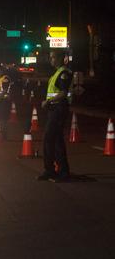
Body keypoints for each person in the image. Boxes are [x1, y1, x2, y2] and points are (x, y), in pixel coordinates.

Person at [37, 50, 72, 182]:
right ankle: (62, 171)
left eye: (53, 57)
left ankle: (50, 170)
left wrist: (48, 101)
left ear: (61, 58)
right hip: (54, 109)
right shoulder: (57, 73)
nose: (51, 60)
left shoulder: (64, 73)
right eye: (50, 57)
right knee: (57, 141)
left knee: (48, 138)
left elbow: (63, 93)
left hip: (59, 108)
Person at [0, 65, 12, 139]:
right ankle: (2, 134)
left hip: (4, 101)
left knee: (3, 119)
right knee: (0, 118)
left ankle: (4, 135)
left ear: (1, 71)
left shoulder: (5, 78)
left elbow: (4, 90)